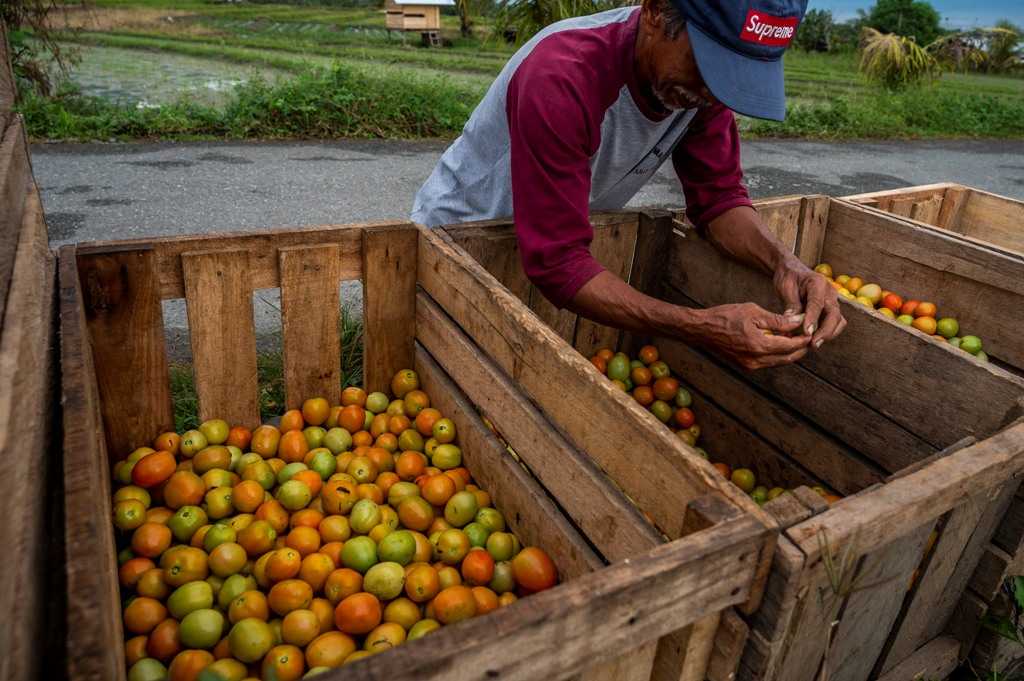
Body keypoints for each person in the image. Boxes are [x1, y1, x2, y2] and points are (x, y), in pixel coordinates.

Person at [411, 0, 845, 369]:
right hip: (457, 247)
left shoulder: (703, 93)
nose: (714, 95)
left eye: (733, 78)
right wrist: (700, 326)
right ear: (656, 10)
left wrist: (787, 264)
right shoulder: (562, 74)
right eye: (708, 65)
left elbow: (719, 200)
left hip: (547, 260)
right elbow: (557, 261)